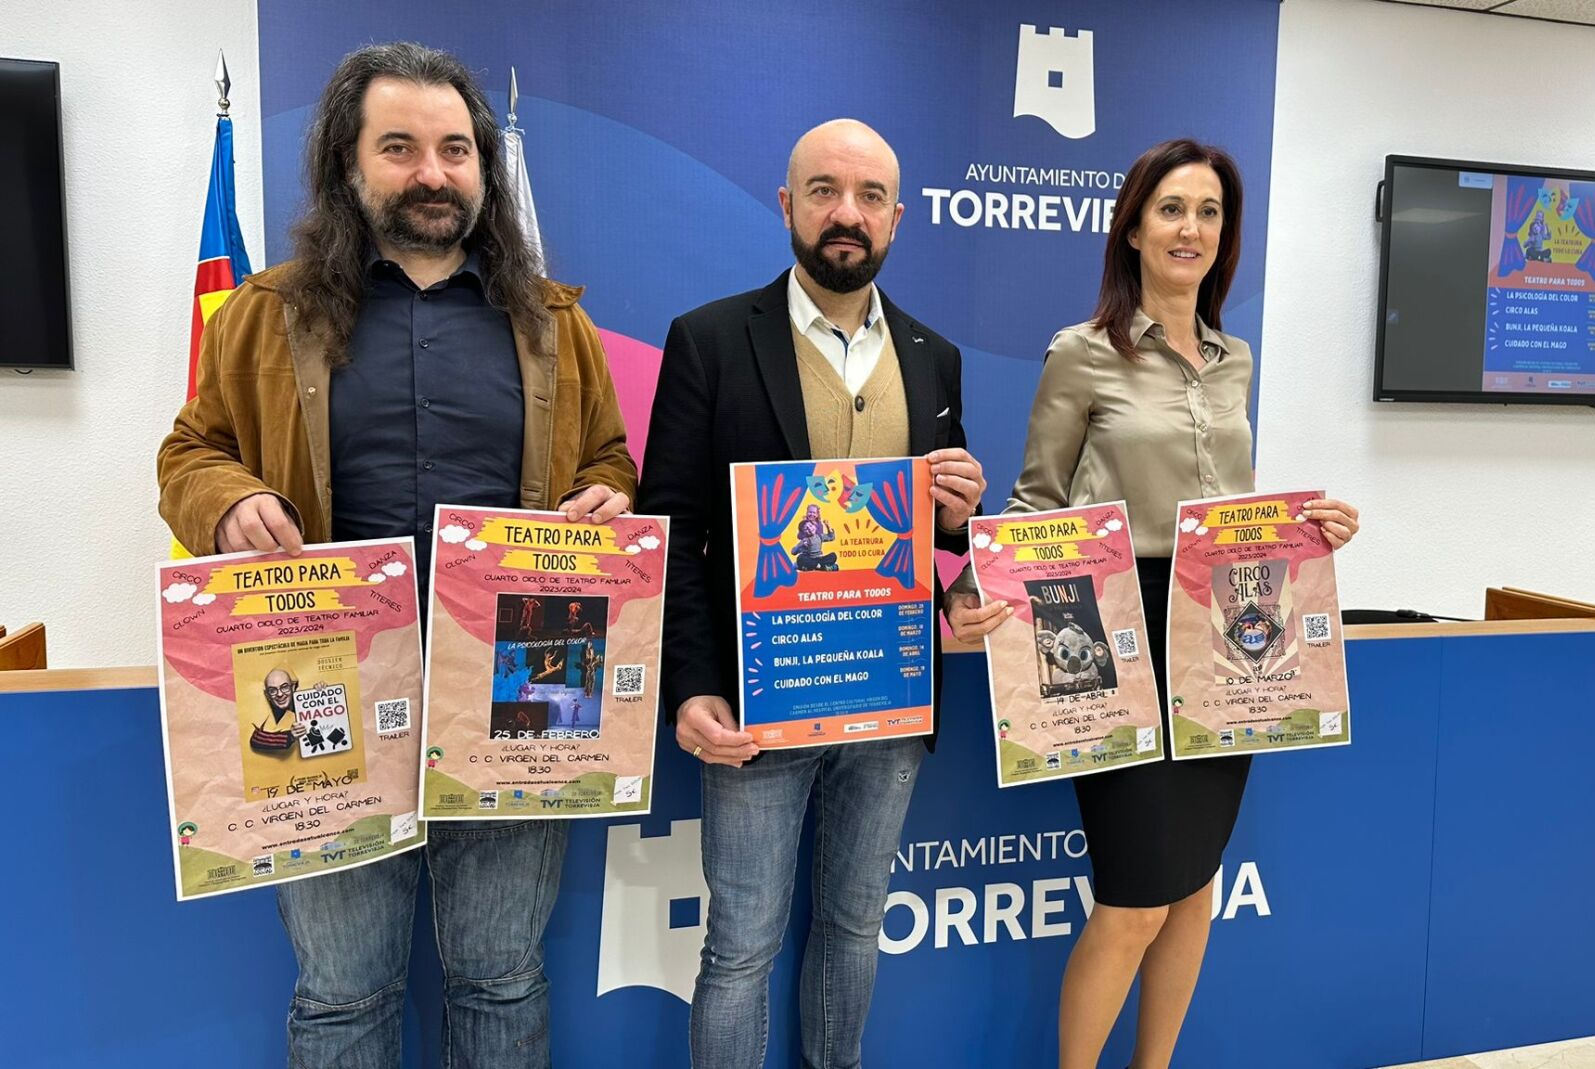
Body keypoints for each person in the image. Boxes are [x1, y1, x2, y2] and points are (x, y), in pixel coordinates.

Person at [155, 41, 636, 1069]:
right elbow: (189, 454)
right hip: (321, 681)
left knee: (502, 977)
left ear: (483, 168)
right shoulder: (267, 314)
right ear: (348, 162)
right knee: (342, 992)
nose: (433, 172)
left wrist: (610, 494)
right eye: (401, 147)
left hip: (522, 683)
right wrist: (230, 501)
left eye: (456, 150)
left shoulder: (555, 324)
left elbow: (608, 456)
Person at [946, 138, 1361, 1069]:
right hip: (1111, 626)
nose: (1191, 228)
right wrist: (971, 588)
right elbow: (1037, 500)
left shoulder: (1233, 358)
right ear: (1132, 228)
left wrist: (1312, 531)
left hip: (1227, 632)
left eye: (1209, 212)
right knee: (1133, 900)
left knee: (1194, 889)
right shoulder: (1081, 354)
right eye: (1172, 209)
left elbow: (1228, 508)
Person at [638, 118, 986, 1069]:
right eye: (825, 191)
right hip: (759, 701)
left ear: (897, 219)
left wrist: (961, 522)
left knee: (854, 925)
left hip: (890, 698)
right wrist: (690, 684)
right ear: (788, 205)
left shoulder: (935, 356)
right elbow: (671, 529)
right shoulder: (710, 339)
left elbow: (937, 535)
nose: (848, 213)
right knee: (740, 945)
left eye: (871, 196)